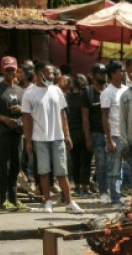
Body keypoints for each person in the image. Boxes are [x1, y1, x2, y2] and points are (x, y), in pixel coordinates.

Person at [21, 62, 85, 215]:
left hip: (58, 137)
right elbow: (26, 120)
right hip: (39, 138)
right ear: (38, 73)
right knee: (44, 172)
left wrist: (67, 135)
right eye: (48, 73)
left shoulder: (57, 91)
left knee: (62, 172)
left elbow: (63, 114)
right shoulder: (29, 94)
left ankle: (69, 202)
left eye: (53, 73)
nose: (51, 76)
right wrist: (28, 141)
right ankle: (47, 201)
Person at [0, 55, 28, 212]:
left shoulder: (21, 91)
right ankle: (3, 201)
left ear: (17, 71)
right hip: (2, 132)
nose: (10, 72)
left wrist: (21, 111)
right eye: (7, 69)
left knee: (16, 166)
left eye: (12, 69)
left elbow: (28, 112)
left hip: (17, 131)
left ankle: (14, 200)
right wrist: (3, 119)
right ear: (2, 70)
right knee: (3, 166)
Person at [101, 60, 128, 207]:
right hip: (115, 135)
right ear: (113, 74)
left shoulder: (126, 90)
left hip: (128, 135)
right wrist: (109, 139)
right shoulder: (107, 92)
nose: (124, 73)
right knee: (115, 169)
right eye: (121, 71)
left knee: (130, 168)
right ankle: (116, 200)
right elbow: (104, 116)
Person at [82, 63, 108, 201]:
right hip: (96, 133)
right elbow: (85, 117)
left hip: (111, 132)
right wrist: (88, 137)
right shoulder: (88, 92)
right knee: (101, 162)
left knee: (113, 163)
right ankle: (103, 191)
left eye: (105, 73)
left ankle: (111, 189)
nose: (104, 75)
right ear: (94, 75)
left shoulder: (109, 90)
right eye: (101, 73)